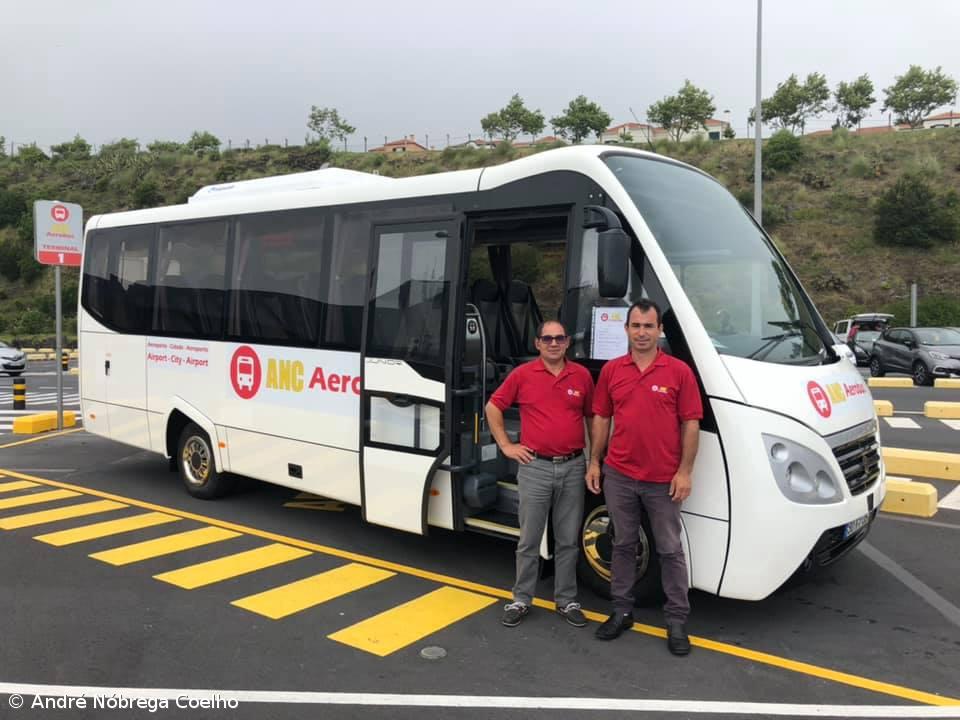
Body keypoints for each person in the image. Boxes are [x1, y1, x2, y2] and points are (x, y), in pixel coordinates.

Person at [586, 299, 702, 656]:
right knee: (621, 544)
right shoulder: (612, 371)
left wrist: (684, 471)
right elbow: (602, 418)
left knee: (669, 550)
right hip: (619, 474)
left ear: (659, 330)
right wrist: (595, 462)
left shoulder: (679, 371)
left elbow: (691, 423)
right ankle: (621, 611)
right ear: (626, 330)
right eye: (635, 326)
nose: (641, 332)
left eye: (648, 326)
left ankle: (677, 621)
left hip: (662, 480)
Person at [486, 319, 594, 628]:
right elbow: (493, 408)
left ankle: (566, 600)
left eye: (559, 338)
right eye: (547, 338)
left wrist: (595, 458)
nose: (553, 343)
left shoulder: (582, 376)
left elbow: (592, 418)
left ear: (567, 342)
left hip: (573, 466)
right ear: (537, 344)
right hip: (535, 467)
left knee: (568, 541)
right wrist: (507, 445)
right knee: (529, 540)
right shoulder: (522, 375)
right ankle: (521, 599)